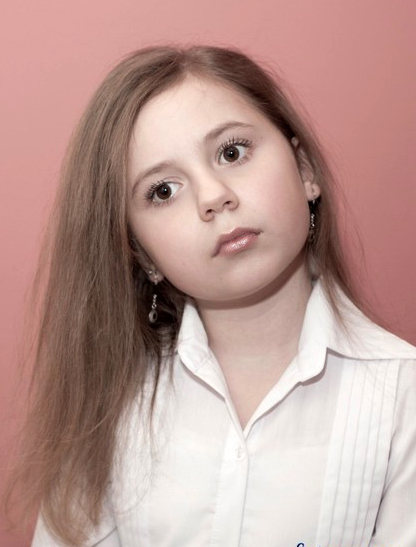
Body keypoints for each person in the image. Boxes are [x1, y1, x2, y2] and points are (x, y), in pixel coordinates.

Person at [8, 45, 416, 547]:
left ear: (305, 169)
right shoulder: (106, 411)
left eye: (232, 152)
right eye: (163, 190)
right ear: (142, 253)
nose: (213, 196)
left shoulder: (403, 397)